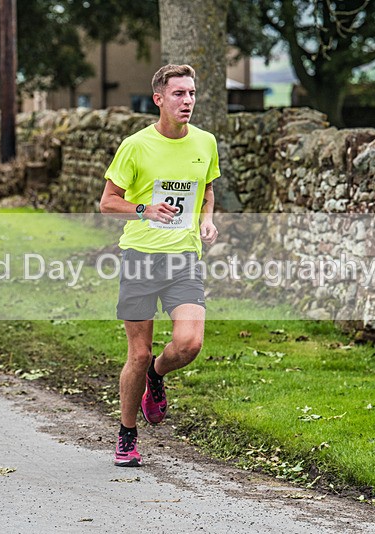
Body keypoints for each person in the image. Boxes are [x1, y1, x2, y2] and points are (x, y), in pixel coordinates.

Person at [100, 64, 219, 467]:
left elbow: (207, 190)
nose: (187, 101)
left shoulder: (205, 142)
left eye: (191, 93)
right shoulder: (136, 146)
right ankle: (127, 434)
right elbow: (107, 202)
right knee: (137, 354)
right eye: (178, 94)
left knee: (189, 344)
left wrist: (206, 219)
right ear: (159, 99)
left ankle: (157, 373)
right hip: (140, 259)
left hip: (184, 259)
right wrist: (144, 209)